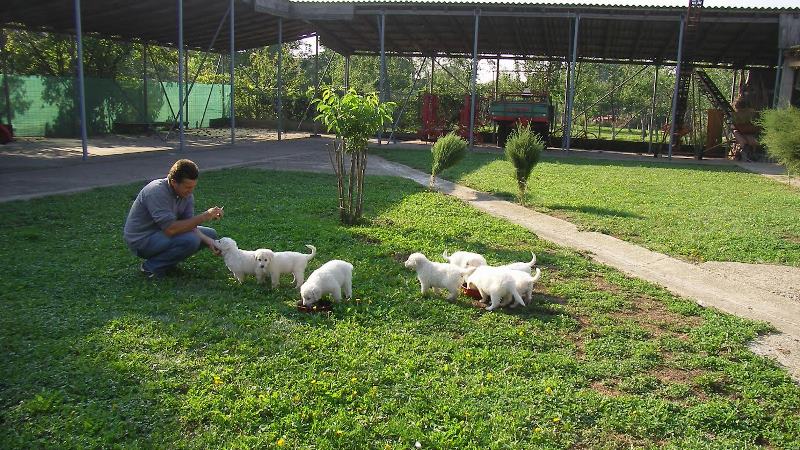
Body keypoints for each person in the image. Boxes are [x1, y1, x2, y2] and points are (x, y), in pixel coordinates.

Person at [123, 159, 223, 278]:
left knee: (210, 234)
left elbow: (190, 226)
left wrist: (209, 241)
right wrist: (205, 215)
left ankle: (167, 263)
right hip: (142, 240)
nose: (191, 191)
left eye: (193, 187)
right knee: (191, 240)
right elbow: (170, 229)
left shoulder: (186, 195)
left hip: (161, 234)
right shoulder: (156, 191)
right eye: (187, 187)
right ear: (174, 182)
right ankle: (150, 267)